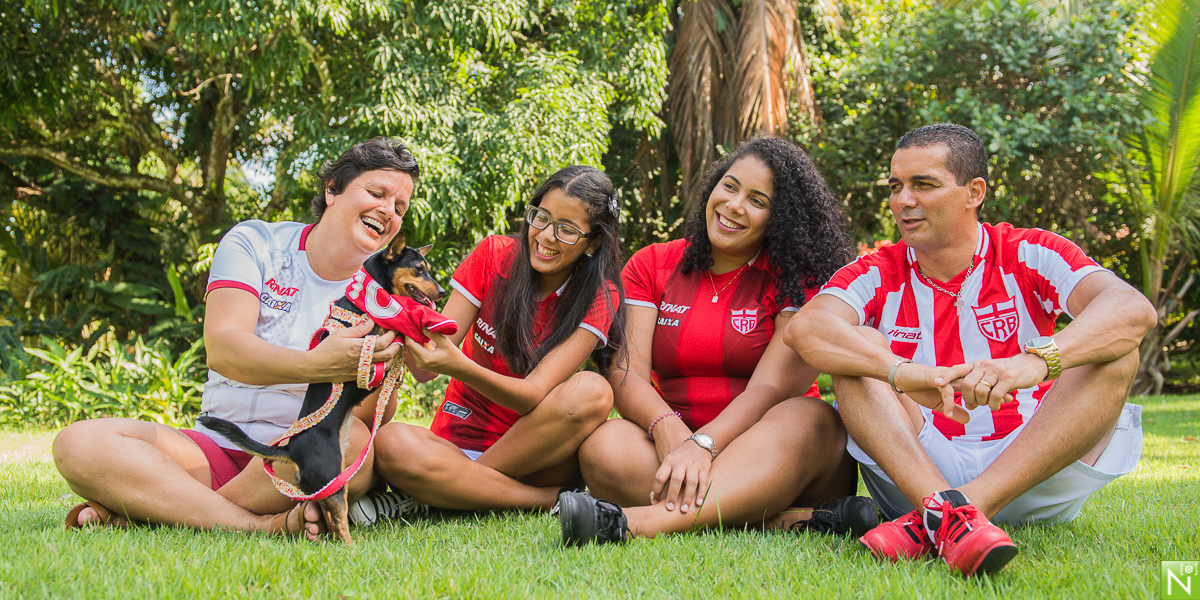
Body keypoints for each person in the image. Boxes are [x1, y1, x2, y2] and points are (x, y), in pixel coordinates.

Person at [784, 123, 1156, 577]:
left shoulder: (1029, 251)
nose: (904, 200)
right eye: (896, 187)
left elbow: (1132, 309)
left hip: (1033, 468)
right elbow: (808, 330)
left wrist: (1032, 362)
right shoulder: (877, 269)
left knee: (1116, 349)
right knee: (856, 348)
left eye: (924, 185)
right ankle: (946, 510)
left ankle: (949, 514)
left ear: (974, 191)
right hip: (917, 469)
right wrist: (901, 372)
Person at [54, 137, 421, 538]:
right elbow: (225, 350)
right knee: (79, 442)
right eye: (377, 193)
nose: (388, 211)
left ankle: (164, 508)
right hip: (210, 445)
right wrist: (317, 365)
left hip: (294, 456)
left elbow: (368, 417)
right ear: (332, 189)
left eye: (400, 207)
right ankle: (255, 524)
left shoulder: (386, 301)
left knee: (356, 443)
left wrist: (382, 373)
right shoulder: (257, 242)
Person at [558, 136, 875, 545]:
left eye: (758, 201)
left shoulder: (799, 279)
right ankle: (783, 519)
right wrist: (670, 430)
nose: (734, 205)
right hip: (676, 446)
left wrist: (705, 445)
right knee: (605, 446)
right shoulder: (653, 264)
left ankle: (635, 524)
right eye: (730, 186)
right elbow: (626, 374)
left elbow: (771, 388)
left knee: (811, 417)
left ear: (780, 218)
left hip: (777, 450)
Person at [354, 165, 624, 520]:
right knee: (391, 444)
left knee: (593, 391)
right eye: (540, 217)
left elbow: (532, 395)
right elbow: (423, 370)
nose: (545, 236)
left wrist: (458, 367)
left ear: (595, 241)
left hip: (537, 453)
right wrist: (401, 311)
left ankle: (442, 496)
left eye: (567, 230)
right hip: (456, 441)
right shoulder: (493, 255)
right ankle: (544, 500)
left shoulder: (600, 295)